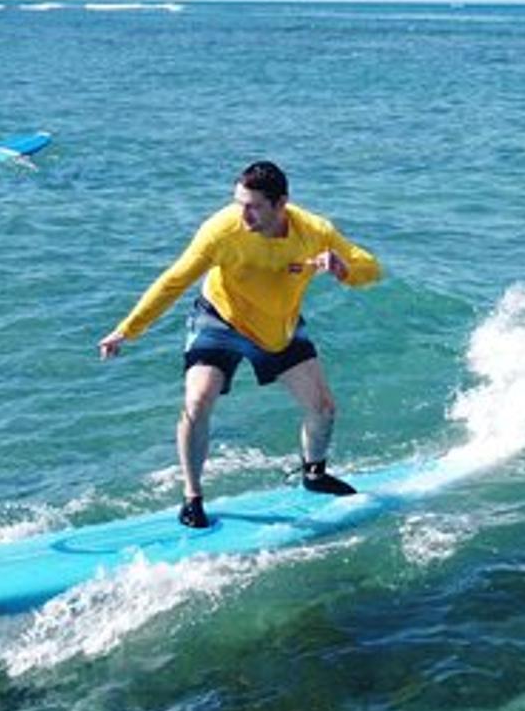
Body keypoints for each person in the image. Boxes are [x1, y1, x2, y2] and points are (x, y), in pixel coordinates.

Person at [98, 160, 383, 528]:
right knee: (197, 401)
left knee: (323, 408)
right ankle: (192, 497)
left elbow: (371, 269)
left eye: (253, 206)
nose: (242, 213)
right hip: (220, 320)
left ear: (281, 204)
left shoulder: (314, 231)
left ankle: (313, 474)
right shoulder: (222, 231)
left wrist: (343, 268)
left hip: (278, 328)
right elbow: (174, 281)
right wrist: (127, 329)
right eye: (238, 203)